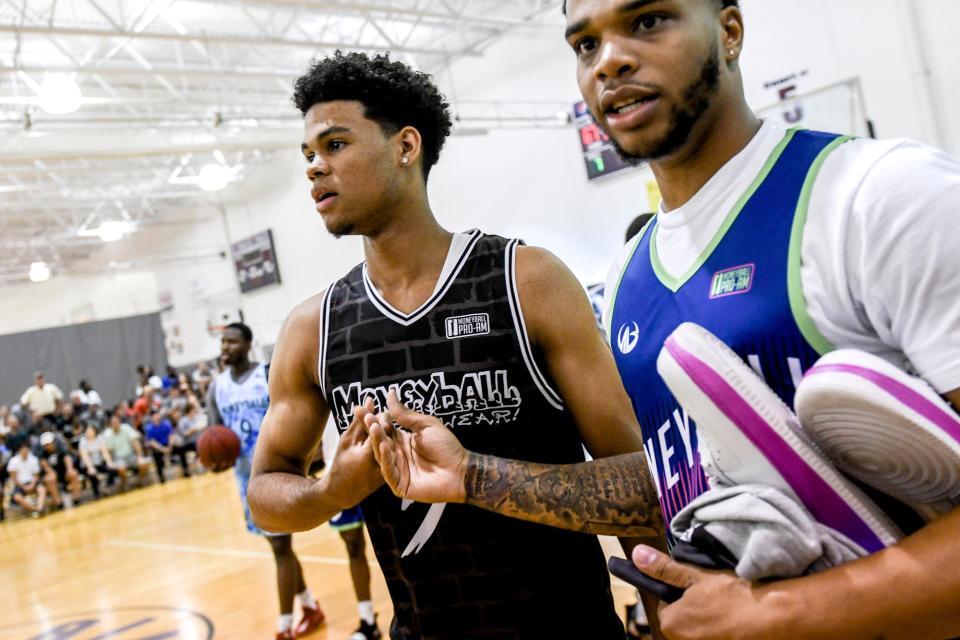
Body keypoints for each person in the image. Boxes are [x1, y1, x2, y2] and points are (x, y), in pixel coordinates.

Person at [365, 1, 960, 638]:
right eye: (585, 45)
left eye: (648, 21)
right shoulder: (630, 278)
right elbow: (680, 478)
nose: (609, 61)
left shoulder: (881, 196)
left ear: (729, 32)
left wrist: (782, 614)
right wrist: (471, 475)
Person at [246, 50, 663, 640]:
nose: (315, 167)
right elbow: (264, 490)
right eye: (309, 154)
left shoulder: (525, 281)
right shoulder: (312, 328)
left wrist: (667, 617)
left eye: (335, 146)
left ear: (405, 146)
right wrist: (328, 492)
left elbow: (641, 486)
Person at [206, 323, 325, 640]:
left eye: (231, 341)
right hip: (245, 478)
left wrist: (313, 455)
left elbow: (299, 413)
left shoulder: (268, 374)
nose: (225, 347)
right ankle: (311, 606)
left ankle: (285, 625)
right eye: (223, 342)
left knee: (280, 547)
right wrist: (215, 459)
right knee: (279, 545)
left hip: (275, 471)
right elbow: (214, 436)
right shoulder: (216, 387)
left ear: (248, 344)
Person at [102, 413, 149, 491]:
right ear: (110, 425)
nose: (116, 424)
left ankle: (140, 481)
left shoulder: (126, 428)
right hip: (118, 458)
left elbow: (135, 443)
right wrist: (110, 462)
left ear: (119, 422)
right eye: (113, 423)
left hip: (131, 455)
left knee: (143, 463)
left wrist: (139, 456)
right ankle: (124, 482)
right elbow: (108, 451)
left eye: (117, 422)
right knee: (121, 469)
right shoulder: (107, 434)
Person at [37, 431, 81, 508]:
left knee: (73, 474)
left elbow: (67, 459)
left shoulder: (61, 449)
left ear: (53, 442)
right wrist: (51, 473)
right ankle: (59, 503)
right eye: (45, 445)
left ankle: (76, 499)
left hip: (64, 473)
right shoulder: (42, 454)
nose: (47, 446)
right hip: (53, 476)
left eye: (48, 444)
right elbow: (45, 465)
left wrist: (69, 469)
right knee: (50, 479)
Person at [7, 442, 46, 517]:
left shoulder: (34, 459)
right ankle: (35, 509)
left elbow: (36, 476)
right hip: (20, 484)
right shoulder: (13, 461)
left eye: (26, 449)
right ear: (20, 450)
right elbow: (13, 478)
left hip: (32, 482)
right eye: (23, 450)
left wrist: (32, 485)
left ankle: (40, 508)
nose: (25, 451)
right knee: (17, 497)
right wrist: (23, 487)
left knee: (42, 489)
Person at [77, 424, 111, 498]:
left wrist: (109, 462)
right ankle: (97, 493)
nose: (89, 433)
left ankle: (105, 487)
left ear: (95, 431)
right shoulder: (83, 442)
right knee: (92, 474)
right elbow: (85, 456)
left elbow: (105, 452)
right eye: (87, 431)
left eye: (91, 431)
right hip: (86, 465)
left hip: (99, 463)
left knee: (111, 469)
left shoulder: (100, 439)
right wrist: (90, 467)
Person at [144, 410, 174, 484]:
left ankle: (186, 470)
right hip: (158, 447)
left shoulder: (166, 424)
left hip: (168, 444)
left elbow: (171, 435)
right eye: (154, 415)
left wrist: (170, 446)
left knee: (181, 448)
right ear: (151, 417)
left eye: (157, 414)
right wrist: (163, 449)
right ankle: (161, 476)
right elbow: (152, 442)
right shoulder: (149, 428)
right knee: (156, 455)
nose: (156, 416)